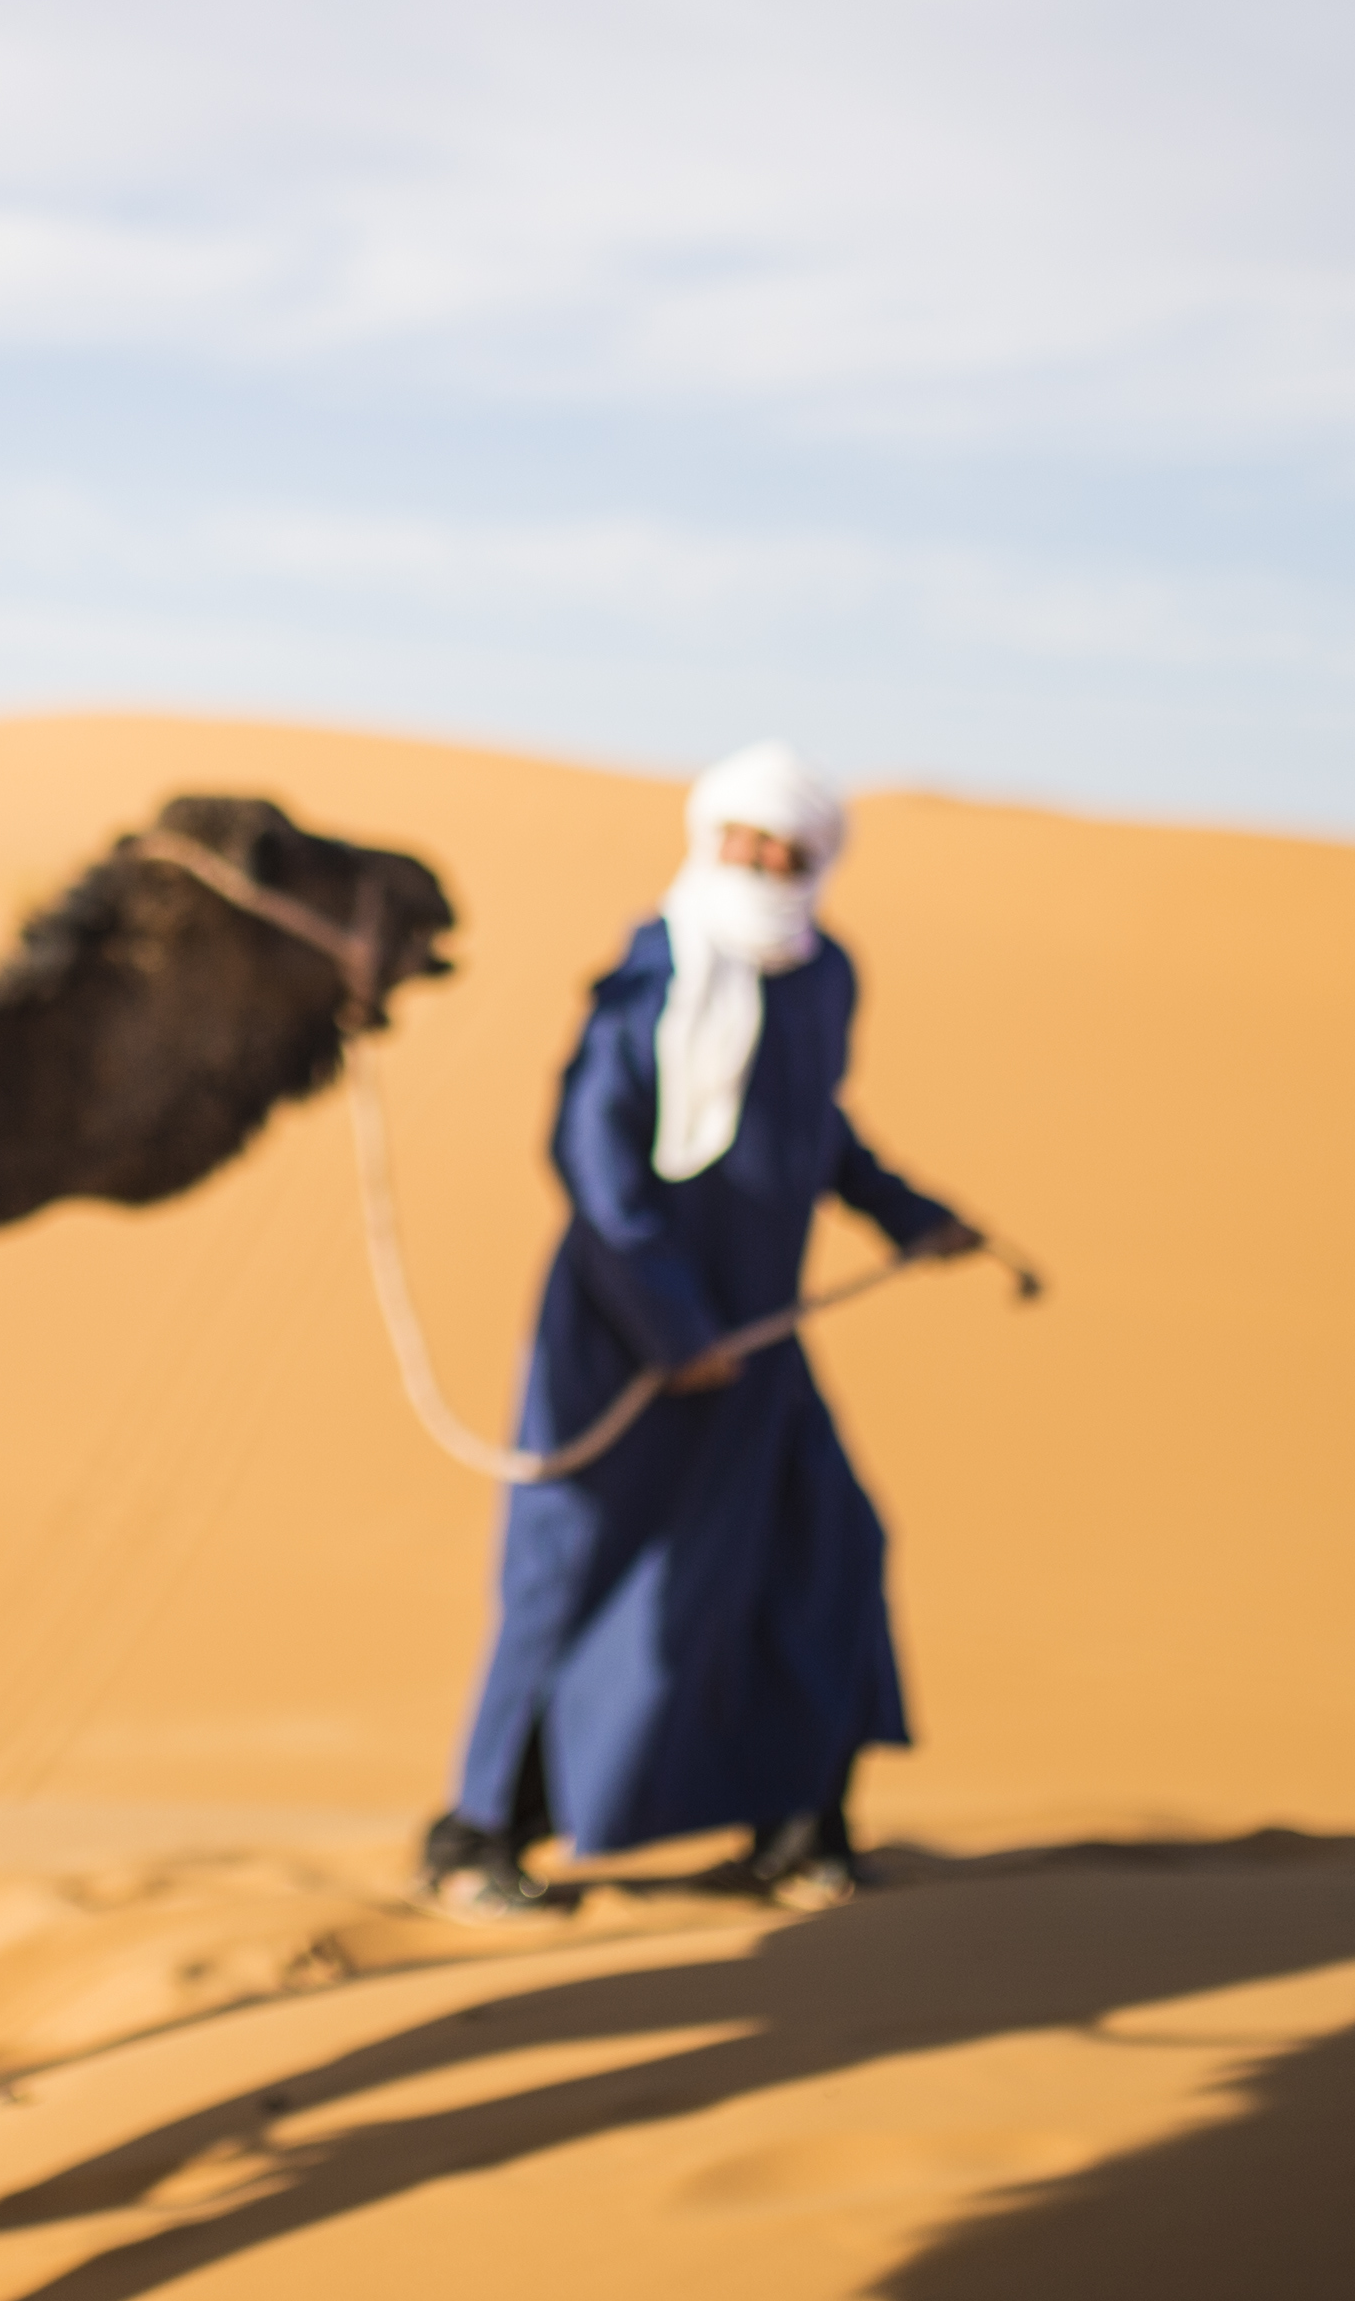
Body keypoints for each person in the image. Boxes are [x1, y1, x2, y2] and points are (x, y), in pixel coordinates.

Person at [420, 741, 983, 1918]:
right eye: (745, 838)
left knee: (822, 1555)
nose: (763, 861)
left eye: (788, 847)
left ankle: (799, 1826)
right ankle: (478, 1837)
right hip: (622, 1341)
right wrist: (671, 1327)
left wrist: (909, 1216)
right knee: (570, 1574)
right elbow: (592, 1156)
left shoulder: (822, 974)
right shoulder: (648, 973)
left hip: (760, 1342)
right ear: (708, 836)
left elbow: (809, 1125)